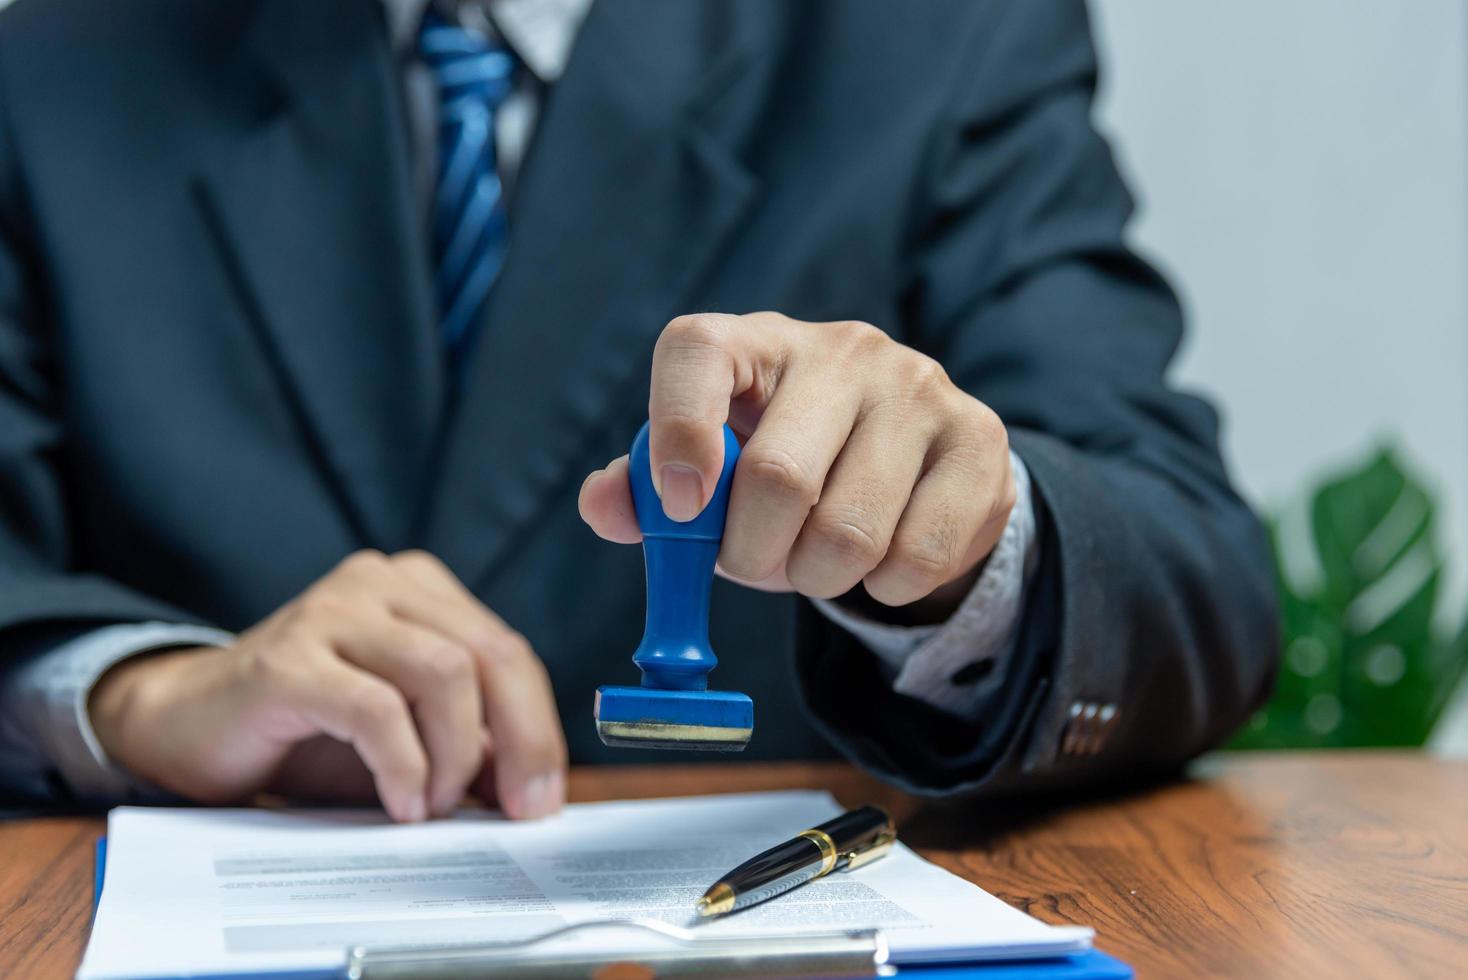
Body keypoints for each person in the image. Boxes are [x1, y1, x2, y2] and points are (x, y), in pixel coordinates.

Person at [0, 0, 1277, 822]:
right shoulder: (50, 75)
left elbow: (1190, 565)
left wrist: (967, 549)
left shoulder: (941, 39)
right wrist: (133, 696)